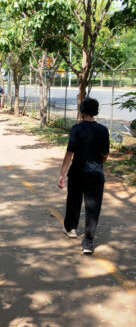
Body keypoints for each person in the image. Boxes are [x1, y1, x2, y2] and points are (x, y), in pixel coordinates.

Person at [57, 97, 110, 255]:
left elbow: (69, 153)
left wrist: (62, 174)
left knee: (74, 200)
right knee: (93, 208)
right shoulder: (103, 130)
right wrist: (98, 164)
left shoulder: (76, 129)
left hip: (77, 172)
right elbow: (105, 154)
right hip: (95, 174)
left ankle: (71, 229)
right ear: (95, 111)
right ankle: (88, 243)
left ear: (82, 111)